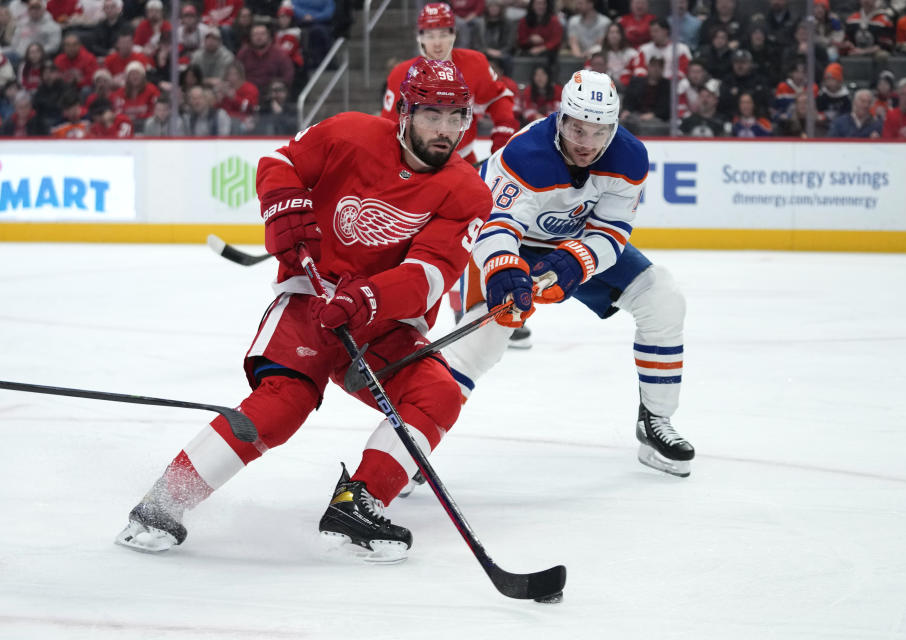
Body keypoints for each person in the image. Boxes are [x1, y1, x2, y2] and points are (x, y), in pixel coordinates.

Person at [115, 59, 493, 561]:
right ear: (403, 111)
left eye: (456, 118)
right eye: (432, 116)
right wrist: (283, 208)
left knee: (438, 393)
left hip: (382, 322)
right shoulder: (350, 133)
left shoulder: (467, 191)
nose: (445, 131)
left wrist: (369, 299)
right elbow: (280, 162)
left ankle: (356, 505)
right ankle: (162, 503)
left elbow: (430, 274)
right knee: (282, 404)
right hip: (310, 301)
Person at [441, 69, 696, 479]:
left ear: (613, 127)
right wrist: (505, 269)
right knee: (482, 338)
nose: (586, 144)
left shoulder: (630, 156)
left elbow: (611, 230)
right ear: (561, 119)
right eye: (578, 129)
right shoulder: (525, 154)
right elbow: (495, 226)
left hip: (572, 244)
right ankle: (415, 435)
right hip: (505, 239)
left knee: (662, 296)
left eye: (599, 132)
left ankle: (656, 421)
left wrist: (578, 260)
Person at [382, 3, 519, 165]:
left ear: (453, 34)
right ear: (420, 37)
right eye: (430, 36)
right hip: (416, 163)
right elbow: (389, 127)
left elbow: (498, 99)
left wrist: (503, 133)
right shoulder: (401, 73)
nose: (437, 43)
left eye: (442, 34)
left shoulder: (475, 63)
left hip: (463, 161)